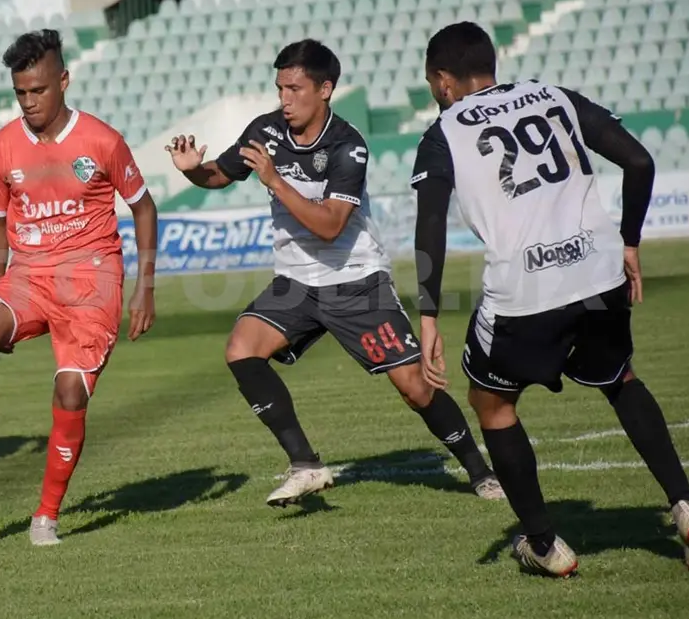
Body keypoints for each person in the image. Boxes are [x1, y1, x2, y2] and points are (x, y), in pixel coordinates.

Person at [411, 21, 689, 576]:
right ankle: (685, 505)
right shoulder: (554, 95)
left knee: (491, 402)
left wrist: (429, 312)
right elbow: (640, 162)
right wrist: (629, 242)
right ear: (493, 63)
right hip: (599, 272)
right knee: (619, 377)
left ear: (442, 81)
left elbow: (430, 222)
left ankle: (544, 545)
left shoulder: (445, 130)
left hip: (525, 290)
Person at [166, 39, 503, 508]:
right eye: (280, 88)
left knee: (415, 388)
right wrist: (192, 171)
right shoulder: (265, 130)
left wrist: (276, 181)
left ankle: (481, 470)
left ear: (325, 89)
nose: (284, 99)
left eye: (295, 88)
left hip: (355, 281)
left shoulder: (349, 146)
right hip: (296, 282)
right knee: (241, 350)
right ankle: (305, 464)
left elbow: (329, 227)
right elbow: (220, 174)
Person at [0, 29, 159, 546]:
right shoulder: (2, 146)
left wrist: (144, 287)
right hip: (29, 274)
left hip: (92, 277)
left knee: (69, 393)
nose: (29, 102)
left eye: (38, 91)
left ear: (63, 82)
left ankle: (46, 514)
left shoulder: (102, 141)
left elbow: (143, 206)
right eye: (21, 93)